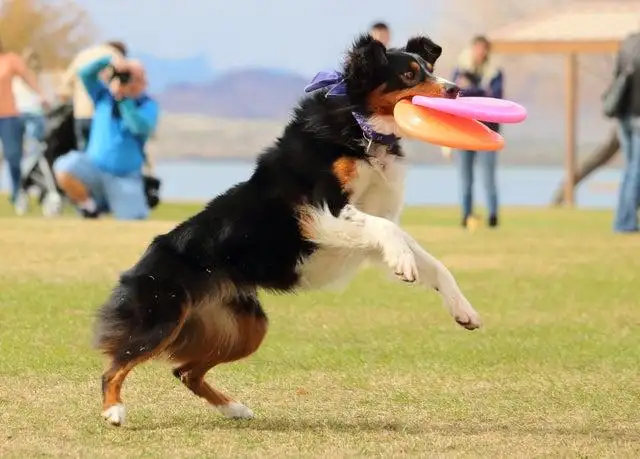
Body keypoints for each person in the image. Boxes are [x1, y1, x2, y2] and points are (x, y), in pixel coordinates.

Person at [53, 55, 159, 220]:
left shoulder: (148, 105)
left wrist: (124, 100)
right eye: (128, 77)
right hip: (93, 169)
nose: (131, 82)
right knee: (65, 166)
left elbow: (138, 127)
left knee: (135, 220)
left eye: (136, 78)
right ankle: (90, 208)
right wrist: (110, 61)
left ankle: (111, 205)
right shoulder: (103, 96)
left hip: (125, 177)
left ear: (144, 82)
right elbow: (85, 74)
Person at [451, 35, 504, 229]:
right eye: (477, 48)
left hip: (487, 131)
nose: (479, 52)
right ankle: (466, 215)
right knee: (465, 178)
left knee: (488, 177)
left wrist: (473, 89)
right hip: (464, 130)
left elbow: (496, 97)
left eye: (483, 49)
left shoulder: (495, 72)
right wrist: (481, 90)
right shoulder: (460, 68)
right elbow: (455, 94)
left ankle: (493, 216)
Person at [0, 38, 49, 204]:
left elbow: (27, 77)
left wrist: (40, 94)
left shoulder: (10, 60)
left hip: (8, 116)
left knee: (13, 156)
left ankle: (16, 193)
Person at [57, 41, 127, 151]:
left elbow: (64, 89)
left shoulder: (82, 55)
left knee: (84, 157)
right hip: (105, 116)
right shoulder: (115, 57)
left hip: (81, 114)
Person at [610, 31, 640, 233]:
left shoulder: (629, 42)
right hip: (638, 114)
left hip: (623, 114)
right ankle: (625, 222)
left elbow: (617, 76)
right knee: (636, 172)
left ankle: (623, 220)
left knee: (630, 170)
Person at [12, 48, 46, 148]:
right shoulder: (36, 78)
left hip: (18, 114)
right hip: (34, 114)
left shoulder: (15, 78)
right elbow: (43, 99)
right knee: (35, 146)